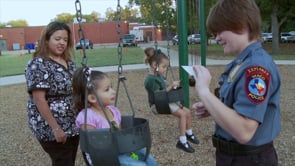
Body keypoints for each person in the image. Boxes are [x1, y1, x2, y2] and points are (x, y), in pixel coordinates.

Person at [192, 0, 281, 165]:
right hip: (235, 157)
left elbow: (244, 131)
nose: (217, 38)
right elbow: (240, 108)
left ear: (241, 26)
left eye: (219, 31)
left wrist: (204, 91)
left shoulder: (256, 68)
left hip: (249, 159)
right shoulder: (241, 63)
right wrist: (214, 108)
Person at [73, 67, 158, 166]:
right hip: (101, 157)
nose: (113, 91)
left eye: (111, 87)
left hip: (118, 150)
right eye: (107, 90)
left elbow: (119, 133)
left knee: (149, 160)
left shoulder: (113, 111)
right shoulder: (87, 117)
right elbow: (92, 144)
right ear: (92, 98)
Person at [24, 21, 79, 166]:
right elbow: (39, 99)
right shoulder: (38, 64)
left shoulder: (70, 63)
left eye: (65, 40)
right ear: (46, 40)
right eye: (57, 39)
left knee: (69, 160)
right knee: (63, 160)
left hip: (72, 124)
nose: (62, 43)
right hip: (50, 126)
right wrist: (56, 128)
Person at [143, 47, 199, 153]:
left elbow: (165, 90)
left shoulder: (159, 76)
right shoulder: (150, 79)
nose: (165, 69)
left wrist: (173, 86)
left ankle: (189, 133)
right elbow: (159, 95)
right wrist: (170, 87)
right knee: (182, 114)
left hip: (165, 101)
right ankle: (182, 141)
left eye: (166, 67)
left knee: (187, 111)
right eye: (164, 67)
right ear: (155, 65)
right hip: (158, 105)